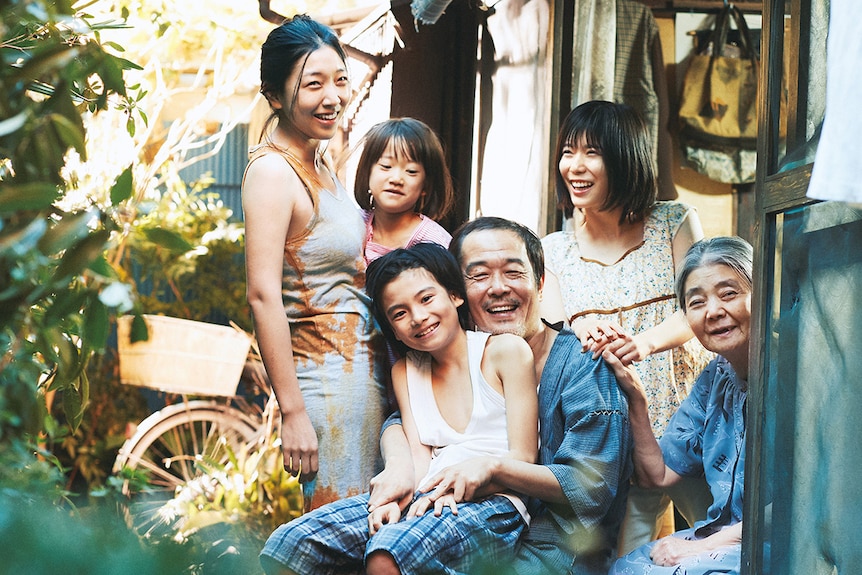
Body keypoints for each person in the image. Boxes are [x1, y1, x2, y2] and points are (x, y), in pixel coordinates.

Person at [368, 217, 634, 575]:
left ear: (540, 283)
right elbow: (406, 419)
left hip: (552, 551)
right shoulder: (454, 361)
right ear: (456, 292)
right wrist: (400, 461)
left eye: (513, 272)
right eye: (478, 276)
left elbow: (592, 485)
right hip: (459, 524)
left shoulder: (584, 364)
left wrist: (493, 468)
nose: (497, 288)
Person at [260, 242, 539, 575]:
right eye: (400, 313)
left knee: (387, 552)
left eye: (426, 299)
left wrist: (465, 486)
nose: (418, 318)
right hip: (426, 494)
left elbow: (524, 458)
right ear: (392, 329)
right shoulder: (405, 371)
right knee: (291, 542)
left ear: (455, 295)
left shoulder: (504, 351)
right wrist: (394, 500)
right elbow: (419, 461)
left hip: (497, 503)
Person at [541, 100, 713, 553]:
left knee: (726, 534)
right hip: (614, 434)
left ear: (625, 158)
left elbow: (700, 307)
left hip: (689, 421)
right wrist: (586, 335)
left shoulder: (674, 222)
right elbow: (558, 336)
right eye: (567, 152)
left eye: (591, 152)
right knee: (628, 557)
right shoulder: (552, 251)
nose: (574, 167)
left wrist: (642, 342)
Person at [242, 15, 389, 509]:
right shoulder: (272, 173)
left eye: (340, 79)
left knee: (371, 530)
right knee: (341, 530)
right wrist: (294, 411)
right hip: (326, 381)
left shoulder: (319, 160)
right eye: (313, 84)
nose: (333, 96)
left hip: (360, 371)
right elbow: (263, 295)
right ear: (276, 97)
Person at [606, 236, 752, 574]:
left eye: (729, 294)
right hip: (720, 538)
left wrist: (702, 547)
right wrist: (637, 401)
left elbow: (798, 506)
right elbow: (658, 473)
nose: (714, 312)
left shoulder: (793, 374)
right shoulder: (716, 376)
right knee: (625, 568)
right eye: (697, 302)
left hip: (772, 543)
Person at [353, 117, 455, 263]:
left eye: (411, 171)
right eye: (386, 166)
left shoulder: (434, 241)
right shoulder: (353, 224)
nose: (396, 179)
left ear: (426, 185)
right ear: (367, 173)